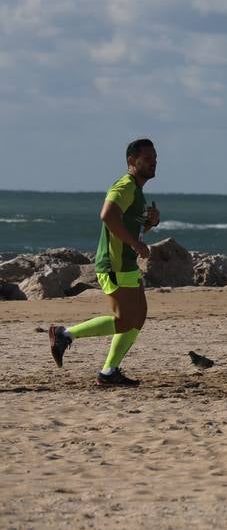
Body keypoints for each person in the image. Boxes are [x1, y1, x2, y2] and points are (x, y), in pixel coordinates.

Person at [48, 138, 161, 387]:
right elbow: (107, 216)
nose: (154, 163)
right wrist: (134, 244)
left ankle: (109, 372)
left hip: (127, 263)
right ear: (132, 161)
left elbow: (129, 228)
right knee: (123, 320)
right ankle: (64, 335)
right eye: (148, 159)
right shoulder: (125, 185)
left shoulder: (137, 191)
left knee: (138, 317)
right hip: (114, 264)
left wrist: (149, 225)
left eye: (155, 158)